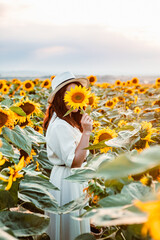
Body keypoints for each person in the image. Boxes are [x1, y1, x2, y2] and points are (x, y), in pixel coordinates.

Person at [43, 71, 92, 240]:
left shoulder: (68, 119)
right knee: (69, 229)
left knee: (71, 226)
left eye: (78, 94)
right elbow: (76, 161)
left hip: (70, 179)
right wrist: (86, 132)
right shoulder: (60, 126)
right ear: (60, 98)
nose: (76, 98)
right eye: (71, 94)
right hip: (67, 183)